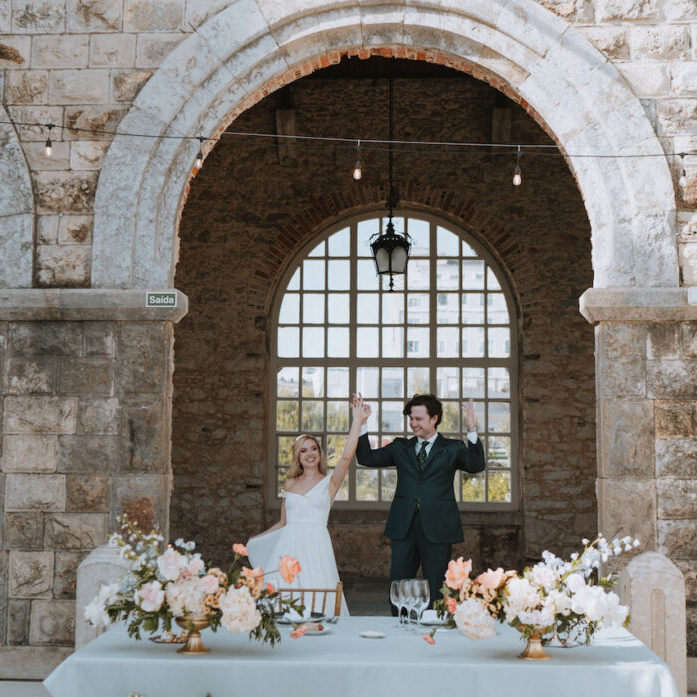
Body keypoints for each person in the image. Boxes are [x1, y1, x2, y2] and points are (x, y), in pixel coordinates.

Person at [355, 393, 485, 611]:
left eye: (418, 419)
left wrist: (472, 430)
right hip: (403, 526)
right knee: (398, 588)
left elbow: (476, 465)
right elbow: (367, 458)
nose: (413, 424)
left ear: (434, 418)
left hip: (438, 527)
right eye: (411, 419)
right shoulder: (400, 447)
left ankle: (432, 638)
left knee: (436, 590)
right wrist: (362, 423)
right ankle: (400, 630)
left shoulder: (452, 448)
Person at [247, 394, 371, 616]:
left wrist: (357, 422)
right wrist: (256, 540)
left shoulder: (329, 483)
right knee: (284, 602)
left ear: (319, 452)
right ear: (297, 457)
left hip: (316, 547)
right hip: (288, 549)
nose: (309, 454)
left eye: (313, 448)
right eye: (303, 451)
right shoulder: (290, 483)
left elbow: (345, 458)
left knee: (318, 598)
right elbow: (284, 522)